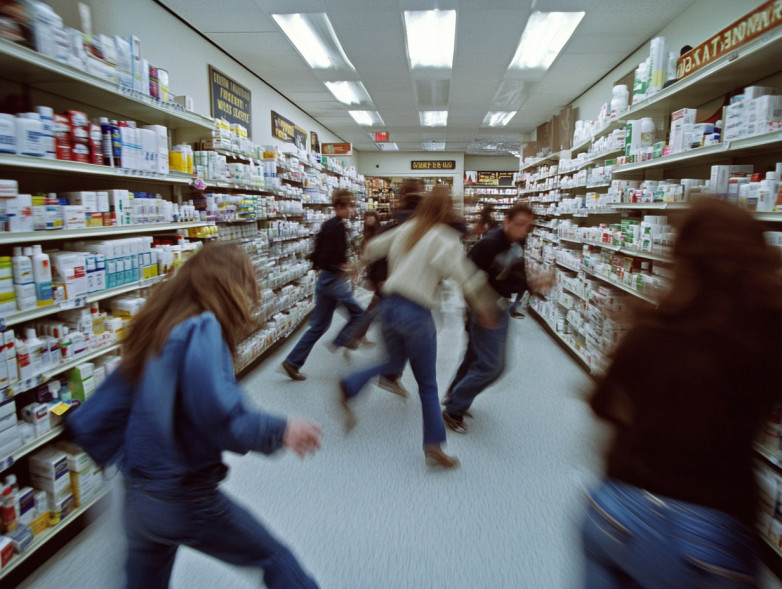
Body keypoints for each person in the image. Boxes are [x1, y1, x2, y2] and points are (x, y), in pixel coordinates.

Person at [66, 242, 323, 589]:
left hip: (138, 499)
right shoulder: (203, 328)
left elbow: (100, 412)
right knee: (274, 558)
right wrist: (279, 430)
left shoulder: (157, 331)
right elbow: (216, 409)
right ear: (230, 285)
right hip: (184, 499)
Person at [581, 197, 782, 588]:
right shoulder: (769, 339)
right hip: (710, 535)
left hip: (613, 513)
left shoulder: (652, 329)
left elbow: (601, 403)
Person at [338, 187, 500, 469]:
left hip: (388, 308)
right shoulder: (445, 239)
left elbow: (373, 247)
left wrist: (356, 265)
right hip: (415, 314)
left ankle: (350, 384)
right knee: (427, 384)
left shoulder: (408, 228)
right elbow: (466, 277)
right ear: (446, 209)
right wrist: (485, 307)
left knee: (392, 361)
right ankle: (433, 446)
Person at [442, 203, 553, 434]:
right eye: (520, 224)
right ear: (507, 221)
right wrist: (479, 309)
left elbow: (516, 276)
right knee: (493, 366)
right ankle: (454, 408)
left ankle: (455, 397)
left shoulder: (518, 242)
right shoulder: (488, 244)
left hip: (499, 307)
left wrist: (535, 286)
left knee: (474, 356)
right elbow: (466, 278)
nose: (524, 230)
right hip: (485, 310)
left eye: (528, 226)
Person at [282, 189, 365, 380]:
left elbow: (316, 254)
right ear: (336, 206)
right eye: (344, 205)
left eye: (350, 205)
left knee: (319, 325)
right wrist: (341, 268)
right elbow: (324, 257)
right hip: (333, 280)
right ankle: (342, 340)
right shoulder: (335, 227)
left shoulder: (333, 225)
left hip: (326, 280)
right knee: (359, 314)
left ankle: (292, 362)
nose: (349, 209)